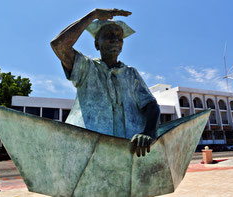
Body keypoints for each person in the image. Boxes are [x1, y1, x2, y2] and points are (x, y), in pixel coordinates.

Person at [51, 8, 160, 157]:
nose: (115, 39)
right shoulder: (87, 67)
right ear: (97, 44)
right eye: (109, 35)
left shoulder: (130, 73)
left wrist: (148, 132)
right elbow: (59, 46)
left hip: (128, 152)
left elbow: (151, 105)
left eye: (119, 37)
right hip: (87, 152)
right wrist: (93, 15)